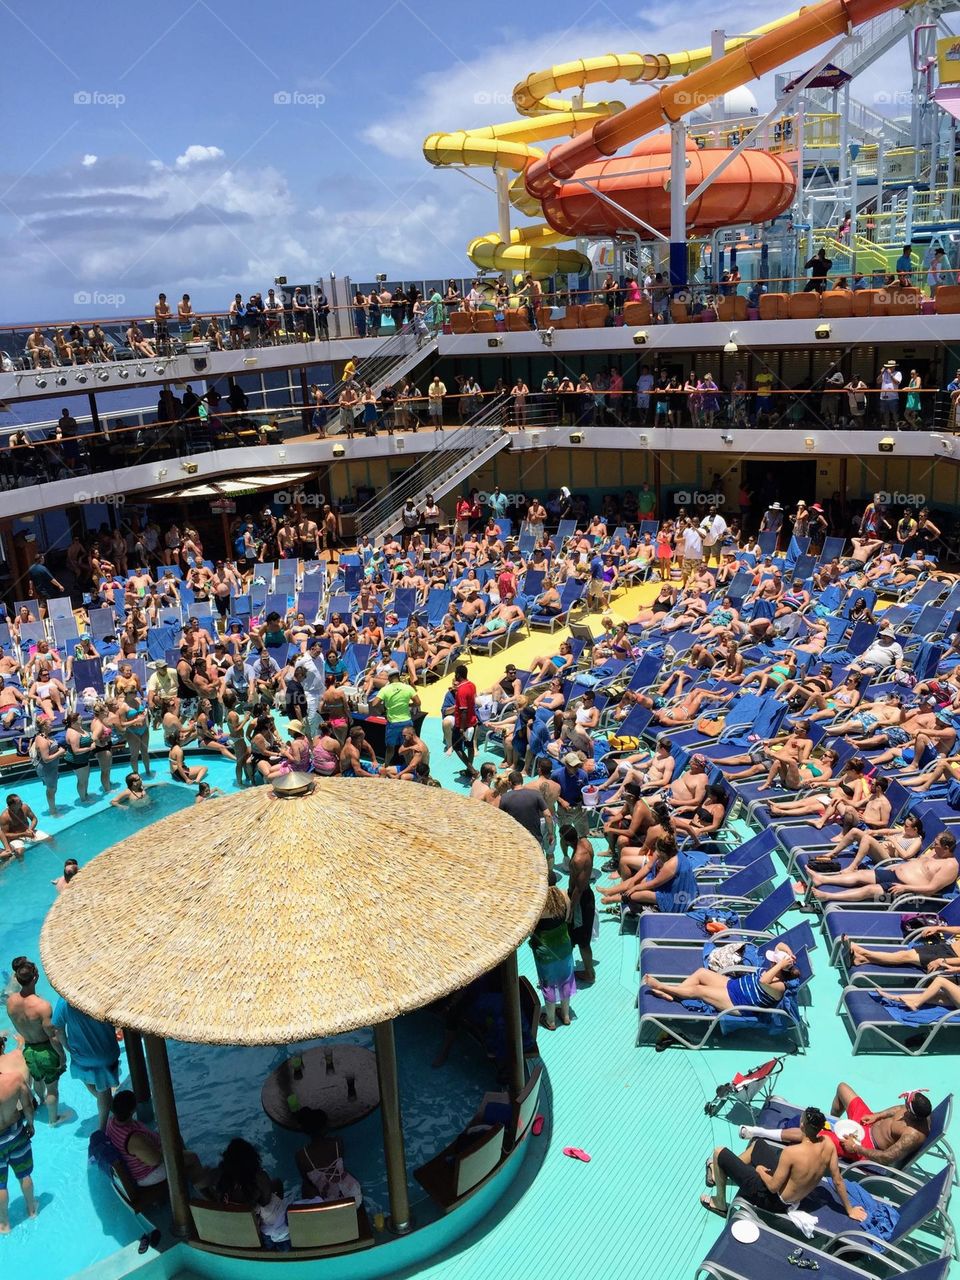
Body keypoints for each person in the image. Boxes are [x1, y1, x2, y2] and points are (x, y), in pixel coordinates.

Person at [705, 1106, 867, 1221]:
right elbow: (838, 1181)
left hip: (773, 1200)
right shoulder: (828, 1145)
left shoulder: (791, 1153)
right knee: (759, 1145)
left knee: (719, 1152)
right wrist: (849, 1209)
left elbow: (773, 1187)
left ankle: (720, 1203)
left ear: (802, 1125)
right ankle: (722, 1173)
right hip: (795, 1197)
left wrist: (761, 1171)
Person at [741, 1085, 933, 1168]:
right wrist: (876, 1115)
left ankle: (761, 1132)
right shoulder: (913, 1110)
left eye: (907, 1101)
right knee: (843, 1088)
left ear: (913, 1113)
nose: (903, 1103)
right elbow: (896, 1109)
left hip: (864, 1144)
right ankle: (833, 1121)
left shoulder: (912, 1135)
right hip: (866, 1123)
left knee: (812, 1134)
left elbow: (886, 1158)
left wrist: (856, 1148)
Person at [809, 831, 958, 902]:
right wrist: (899, 867)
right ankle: (822, 879)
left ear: (946, 848)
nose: (933, 845)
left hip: (907, 891)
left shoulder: (950, 866)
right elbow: (916, 863)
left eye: (936, 844)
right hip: (894, 873)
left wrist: (906, 888)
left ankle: (828, 896)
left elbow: (932, 889)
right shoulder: (934, 853)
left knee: (869, 890)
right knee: (861, 874)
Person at [106, 1090, 208, 1191]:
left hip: (139, 1157)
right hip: (148, 1174)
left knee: (173, 1134)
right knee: (193, 1158)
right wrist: (166, 1147)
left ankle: (184, 1164)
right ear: (132, 1111)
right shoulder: (134, 1138)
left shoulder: (112, 1121)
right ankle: (203, 1188)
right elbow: (155, 1160)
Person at [5, 957, 65, 1125]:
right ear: (36, 977)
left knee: (37, 1080)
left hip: (29, 1050)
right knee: (52, 1088)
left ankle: (41, 1100)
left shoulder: (10, 1002)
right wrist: (62, 1055)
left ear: (17, 978)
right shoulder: (42, 1006)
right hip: (46, 1050)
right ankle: (54, 1120)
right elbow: (52, 1036)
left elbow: (17, 1024)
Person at [51, 999, 120, 1130]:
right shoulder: (105, 996)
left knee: (97, 1088)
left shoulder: (64, 1002)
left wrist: (67, 1047)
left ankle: (104, 1125)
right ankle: (107, 1113)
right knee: (103, 1090)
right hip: (107, 1052)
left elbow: (57, 1029)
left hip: (81, 1057)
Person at [0, 1046, 36, 1231]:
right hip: (16, 1133)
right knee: (24, 1175)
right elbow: (28, 1106)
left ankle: (5, 1224)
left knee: (0, 1185)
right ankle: (32, 1209)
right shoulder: (14, 1079)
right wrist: (30, 1125)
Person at [530, 883, 575, 1030]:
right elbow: (568, 918)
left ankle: (550, 1021)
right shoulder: (564, 896)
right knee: (565, 979)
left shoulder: (538, 906)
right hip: (564, 946)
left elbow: (530, 929)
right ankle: (566, 1016)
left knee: (548, 984)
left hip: (546, 951)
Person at [370, 669, 420, 768]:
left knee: (390, 748)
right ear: (399, 676)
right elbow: (418, 703)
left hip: (393, 724)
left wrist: (382, 711)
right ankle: (410, 767)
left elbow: (374, 703)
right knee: (407, 747)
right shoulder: (408, 687)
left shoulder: (385, 689)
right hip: (406, 722)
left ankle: (386, 765)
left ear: (389, 678)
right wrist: (409, 705)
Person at [564, 826, 596, 983]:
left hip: (580, 902)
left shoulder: (578, 859)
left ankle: (589, 974)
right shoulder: (586, 843)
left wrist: (570, 909)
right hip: (584, 897)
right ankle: (569, 970)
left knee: (582, 941)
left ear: (566, 841)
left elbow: (579, 888)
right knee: (573, 938)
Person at [499, 770, 555, 847]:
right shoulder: (536, 794)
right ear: (522, 781)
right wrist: (551, 833)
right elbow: (548, 815)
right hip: (535, 840)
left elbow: (500, 820)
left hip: (515, 841)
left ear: (509, 783)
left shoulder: (504, 798)